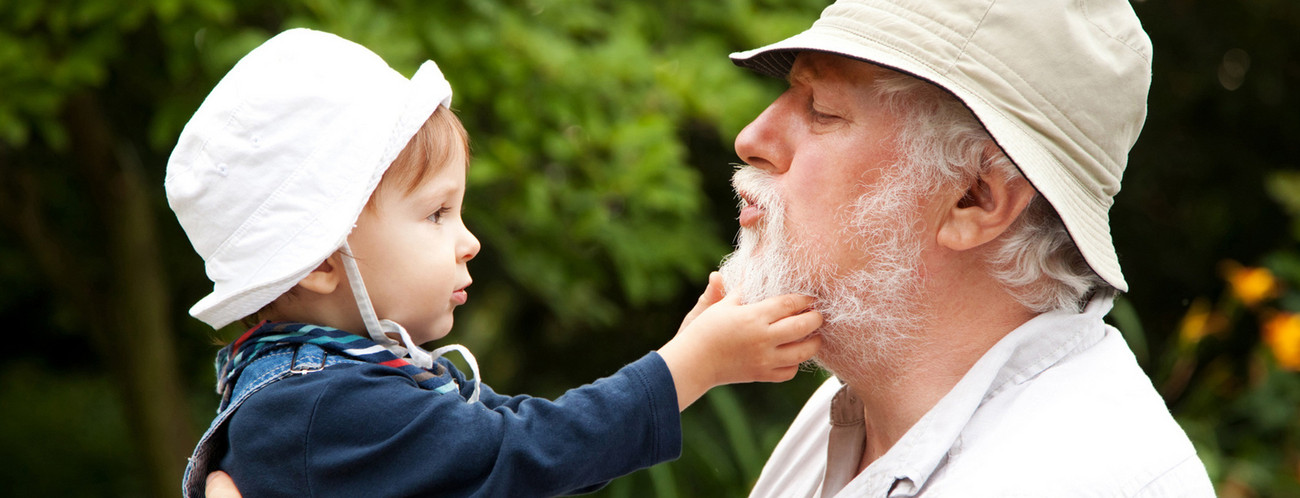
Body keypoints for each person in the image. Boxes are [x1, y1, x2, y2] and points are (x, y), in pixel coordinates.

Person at [170, 28, 823, 498]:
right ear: (320, 262)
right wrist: (691, 367)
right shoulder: (329, 410)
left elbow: (516, 436)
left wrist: (684, 353)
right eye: (435, 214)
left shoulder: (325, 391)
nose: (468, 240)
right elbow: (530, 453)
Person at [721, 0, 1216, 496]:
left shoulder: (1077, 480)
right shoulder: (852, 414)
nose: (751, 137)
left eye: (822, 110)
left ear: (973, 197)